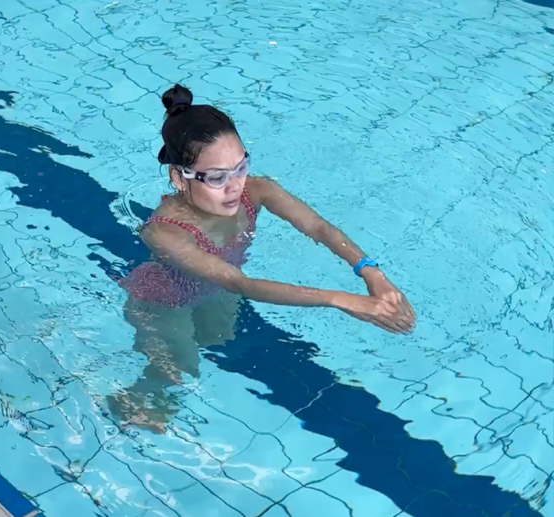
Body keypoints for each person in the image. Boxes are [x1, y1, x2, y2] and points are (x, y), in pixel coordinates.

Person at [110, 84, 415, 432]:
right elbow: (242, 282)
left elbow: (319, 228)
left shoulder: (258, 190)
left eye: (240, 168)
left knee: (218, 340)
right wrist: (341, 300)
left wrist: (371, 273)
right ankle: (127, 402)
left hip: (214, 289)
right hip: (164, 300)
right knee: (180, 368)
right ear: (179, 178)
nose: (235, 186)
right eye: (217, 177)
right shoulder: (165, 232)